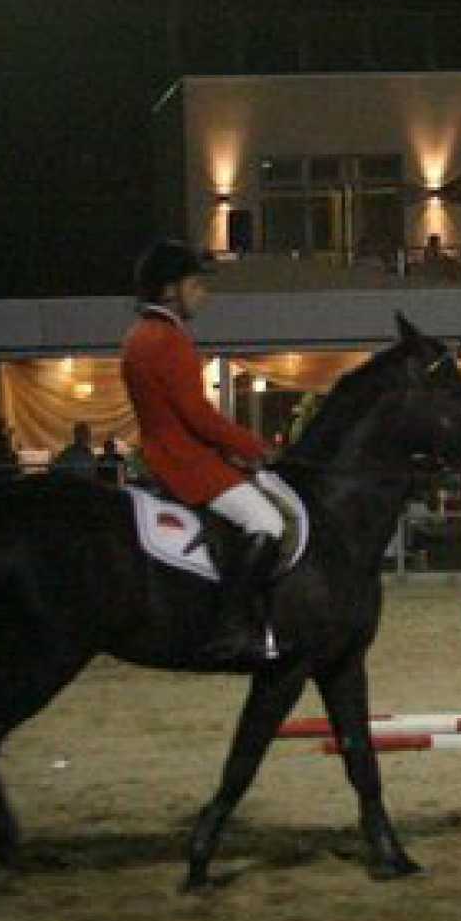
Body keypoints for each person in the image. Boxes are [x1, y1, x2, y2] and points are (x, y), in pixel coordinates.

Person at [121, 239, 284, 663]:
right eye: (195, 286)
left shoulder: (137, 336)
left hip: (164, 457)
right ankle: (233, 625)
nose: (203, 295)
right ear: (169, 291)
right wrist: (256, 447)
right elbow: (198, 416)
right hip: (188, 463)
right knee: (267, 521)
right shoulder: (168, 339)